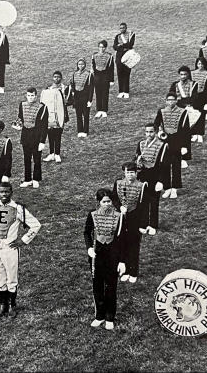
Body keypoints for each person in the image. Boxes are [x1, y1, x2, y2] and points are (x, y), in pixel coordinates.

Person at [0, 182, 42, 317]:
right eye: (2, 192)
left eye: (7, 192)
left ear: (11, 192)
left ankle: (12, 305)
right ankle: (3, 305)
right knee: (0, 275)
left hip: (11, 248)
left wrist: (23, 240)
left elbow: (36, 225)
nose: (4, 194)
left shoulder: (18, 208)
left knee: (12, 277)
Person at [85, 188, 129, 330]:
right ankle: (99, 316)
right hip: (97, 254)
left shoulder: (119, 216)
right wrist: (89, 248)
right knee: (97, 286)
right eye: (104, 202)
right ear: (98, 202)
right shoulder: (92, 215)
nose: (107, 204)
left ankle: (110, 317)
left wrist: (122, 261)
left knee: (111, 286)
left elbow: (123, 240)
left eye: (109, 201)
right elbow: (86, 232)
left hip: (113, 255)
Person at [113, 162, 156, 283]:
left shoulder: (142, 186)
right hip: (121, 218)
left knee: (133, 245)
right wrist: (119, 207)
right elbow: (114, 198)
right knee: (122, 244)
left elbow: (145, 207)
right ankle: (125, 270)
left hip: (135, 220)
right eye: (127, 172)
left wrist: (143, 224)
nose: (130, 175)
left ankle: (133, 272)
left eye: (132, 172)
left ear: (136, 173)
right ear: (124, 173)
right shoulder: (118, 183)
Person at [15, 88, 48, 188]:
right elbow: (20, 117)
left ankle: (36, 179)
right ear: (26, 96)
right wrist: (18, 125)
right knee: (26, 159)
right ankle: (27, 179)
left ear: (36, 96)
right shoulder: (22, 105)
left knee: (37, 159)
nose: (30, 97)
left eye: (32, 95)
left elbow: (44, 126)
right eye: (29, 95)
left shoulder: (42, 107)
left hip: (36, 136)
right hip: (25, 136)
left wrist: (42, 141)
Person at [135, 124, 176, 198]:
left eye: (151, 132)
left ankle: (167, 188)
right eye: (147, 132)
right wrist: (138, 160)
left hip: (156, 172)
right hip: (144, 171)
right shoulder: (141, 143)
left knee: (152, 194)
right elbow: (136, 156)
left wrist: (160, 180)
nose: (148, 134)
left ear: (156, 132)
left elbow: (165, 164)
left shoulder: (162, 145)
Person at [152, 93, 189, 174]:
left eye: (173, 100)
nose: (171, 102)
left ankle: (181, 159)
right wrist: (159, 132)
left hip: (178, 136)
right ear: (166, 101)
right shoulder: (161, 111)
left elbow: (186, 130)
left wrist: (185, 145)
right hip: (166, 135)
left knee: (176, 153)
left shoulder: (183, 112)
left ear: (176, 101)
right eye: (169, 100)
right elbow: (156, 123)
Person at [41, 72, 69, 164]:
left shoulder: (64, 88)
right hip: (50, 115)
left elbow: (68, 101)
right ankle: (51, 153)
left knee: (58, 135)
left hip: (60, 114)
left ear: (61, 78)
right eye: (55, 77)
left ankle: (57, 153)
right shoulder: (48, 88)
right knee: (50, 134)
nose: (56, 79)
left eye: (58, 77)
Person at [69, 59, 93, 138]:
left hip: (85, 96)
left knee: (85, 115)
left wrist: (90, 100)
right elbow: (72, 84)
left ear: (85, 65)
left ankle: (85, 130)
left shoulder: (89, 74)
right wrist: (73, 93)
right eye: (79, 64)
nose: (81, 66)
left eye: (82, 64)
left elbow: (91, 88)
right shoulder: (74, 74)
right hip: (77, 97)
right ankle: (80, 130)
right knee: (78, 114)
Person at [91, 40, 115, 118]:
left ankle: (104, 110)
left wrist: (111, 80)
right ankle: (99, 109)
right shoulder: (94, 55)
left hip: (105, 76)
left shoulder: (109, 56)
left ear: (105, 48)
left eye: (103, 47)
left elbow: (111, 69)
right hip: (97, 76)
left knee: (105, 93)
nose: (102, 49)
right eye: (100, 47)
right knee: (98, 93)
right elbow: (93, 67)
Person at [112, 23, 135, 99]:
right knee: (119, 73)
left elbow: (130, 44)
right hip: (119, 56)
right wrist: (121, 46)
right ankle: (121, 91)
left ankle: (126, 91)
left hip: (128, 56)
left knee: (126, 73)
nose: (122, 29)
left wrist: (120, 45)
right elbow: (114, 47)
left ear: (126, 28)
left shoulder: (131, 35)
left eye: (123, 28)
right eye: (120, 28)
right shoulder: (117, 36)